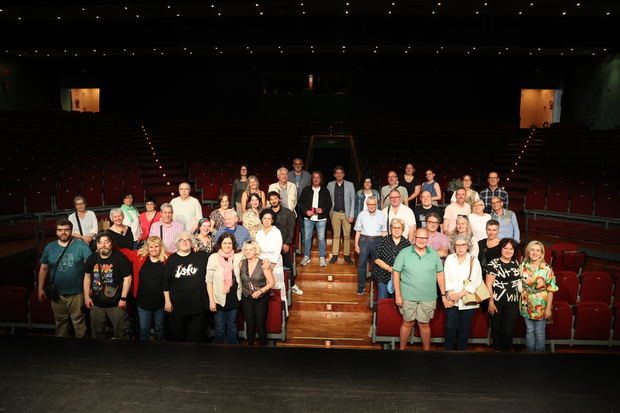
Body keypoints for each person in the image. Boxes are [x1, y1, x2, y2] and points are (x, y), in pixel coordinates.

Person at [393, 228, 447, 351]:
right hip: (408, 296)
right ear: (414, 238)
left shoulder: (433, 254)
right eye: (419, 237)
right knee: (407, 323)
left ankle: (426, 352)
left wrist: (443, 295)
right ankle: (401, 350)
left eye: (425, 238)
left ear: (428, 240)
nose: (422, 240)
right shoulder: (404, 253)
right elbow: (396, 273)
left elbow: (440, 274)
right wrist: (398, 295)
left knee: (424, 324)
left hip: (428, 297)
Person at [37, 218, 92, 338]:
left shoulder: (81, 245)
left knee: (79, 321)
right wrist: (40, 288)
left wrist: (89, 289)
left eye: (66, 230)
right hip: (57, 292)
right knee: (60, 322)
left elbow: (91, 267)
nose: (63, 232)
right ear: (56, 232)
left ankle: (82, 349)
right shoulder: (49, 247)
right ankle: (62, 350)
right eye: (60, 230)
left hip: (77, 291)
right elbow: (44, 268)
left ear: (71, 231)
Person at [83, 231, 132, 339]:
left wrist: (123, 298)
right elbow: (87, 277)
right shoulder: (92, 258)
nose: (103, 245)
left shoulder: (120, 258)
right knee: (96, 333)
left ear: (112, 243)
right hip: (97, 303)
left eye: (106, 242)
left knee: (121, 333)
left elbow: (127, 278)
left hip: (116, 303)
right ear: (97, 244)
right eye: (100, 242)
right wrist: (86, 297)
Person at [118, 236, 168, 341]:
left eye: (156, 246)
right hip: (143, 302)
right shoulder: (140, 256)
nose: (154, 249)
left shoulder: (166, 258)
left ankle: (162, 351)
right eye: (151, 246)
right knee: (144, 329)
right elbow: (125, 252)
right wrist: (109, 246)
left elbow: (181, 254)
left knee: (160, 328)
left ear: (160, 247)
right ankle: (143, 353)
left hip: (161, 302)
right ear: (147, 248)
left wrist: (193, 250)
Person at [164, 232, 210, 343]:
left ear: (192, 243)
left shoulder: (201, 256)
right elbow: (165, 282)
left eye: (188, 240)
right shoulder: (172, 259)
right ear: (177, 243)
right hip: (178, 305)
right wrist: (167, 301)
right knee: (178, 336)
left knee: (196, 337)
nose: (185, 242)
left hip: (197, 304)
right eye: (181, 240)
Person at [444, 235, 483, 351]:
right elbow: (446, 277)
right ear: (454, 246)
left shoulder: (474, 260)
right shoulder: (450, 259)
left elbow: (476, 281)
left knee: (464, 328)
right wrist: (451, 295)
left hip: (467, 300)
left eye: (463, 245)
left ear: (467, 246)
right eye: (458, 245)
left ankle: (461, 353)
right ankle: (449, 352)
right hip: (451, 300)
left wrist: (459, 295)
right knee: (450, 327)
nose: (460, 248)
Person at [519, 240, 558, 352]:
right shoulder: (523, 266)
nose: (535, 253)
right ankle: (530, 354)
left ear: (542, 254)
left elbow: (551, 289)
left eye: (538, 250)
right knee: (529, 330)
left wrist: (549, 308)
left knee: (539, 331)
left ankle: (540, 356)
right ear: (528, 252)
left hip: (541, 304)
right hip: (526, 302)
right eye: (532, 250)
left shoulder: (547, 269)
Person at [207, 232, 243, 344]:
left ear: (233, 244)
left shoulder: (238, 257)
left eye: (230, 243)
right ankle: (219, 353)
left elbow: (254, 252)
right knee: (220, 326)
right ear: (220, 244)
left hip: (234, 296)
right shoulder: (213, 257)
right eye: (224, 243)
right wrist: (211, 300)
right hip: (218, 297)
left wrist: (266, 262)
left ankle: (233, 352)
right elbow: (209, 280)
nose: (227, 245)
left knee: (232, 324)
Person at [486, 238, 521, 352]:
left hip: (513, 302)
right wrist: (490, 302)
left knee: (508, 330)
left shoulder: (516, 263)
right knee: (496, 328)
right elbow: (488, 284)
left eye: (511, 248)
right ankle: (497, 352)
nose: (508, 251)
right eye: (505, 248)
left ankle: (506, 353)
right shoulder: (493, 264)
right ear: (500, 249)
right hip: (496, 302)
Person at [239, 241, 275, 346]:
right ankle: (250, 349)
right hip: (246, 297)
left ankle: (263, 349)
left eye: (251, 249)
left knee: (260, 324)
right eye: (246, 249)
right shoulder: (242, 263)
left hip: (261, 298)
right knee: (250, 324)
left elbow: (272, 283)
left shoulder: (263, 263)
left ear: (256, 250)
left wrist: (260, 291)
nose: (248, 252)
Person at [267, 191, 300, 294]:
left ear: (279, 199)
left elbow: (291, 230)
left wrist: (286, 243)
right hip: (270, 246)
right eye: (271, 199)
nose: (273, 201)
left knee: (287, 266)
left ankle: (292, 285)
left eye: (275, 199)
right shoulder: (267, 213)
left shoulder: (287, 212)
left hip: (283, 245)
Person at [354, 196, 387, 294]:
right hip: (364, 240)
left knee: (376, 265)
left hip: (378, 241)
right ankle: (361, 287)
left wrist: (384, 245)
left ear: (376, 204)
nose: (372, 206)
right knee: (362, 265)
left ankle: (375, 288)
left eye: (373, 204)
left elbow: (384, 231)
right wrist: (356, 245)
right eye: (370, 204)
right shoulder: (361, 214)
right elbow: (358, 231)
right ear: (367, 205)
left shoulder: (382, 214)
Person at [298, 171, 332, 267]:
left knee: (321, 238)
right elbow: (300, 202)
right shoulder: (306, 189)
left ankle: (322, 257)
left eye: (318, 177)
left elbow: (329, 203)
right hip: (308, 218)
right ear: (312, 179)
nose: (316, 179)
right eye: (314, 177)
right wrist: (306, 211)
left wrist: (323, 209)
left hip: (321, 219)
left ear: (321, 180)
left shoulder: (325, 190)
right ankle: (306, 256)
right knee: (307, 237)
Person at [373, 217, 409, 299]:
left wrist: (397, 271)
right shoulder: (383, 241)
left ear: (402, 229)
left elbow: (409, 262)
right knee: (383, 300)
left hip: (400, 278)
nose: (396, 230)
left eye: (399, 228)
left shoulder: (407, 244)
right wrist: (390, 269)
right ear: (391, 229)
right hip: (383, 275)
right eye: (394, 227)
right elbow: (377, 259)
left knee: (397, 301)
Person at [255, 210, 286, 304]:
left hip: (274, 260)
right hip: (262, 260)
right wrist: (262, 260)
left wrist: (272, 264)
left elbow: (277, 249)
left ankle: (280, 308)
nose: (266, 221)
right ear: (261, 219)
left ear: (272, 220)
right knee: (263, 285)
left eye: (269, 219)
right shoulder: (259, 232)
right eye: (264, 218)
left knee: (275, 286)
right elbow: (257, 249)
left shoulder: (276, 232)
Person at [327, 165, 356, 265]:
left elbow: (353, 201)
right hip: (334, 213)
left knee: (347, 236)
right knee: (336, 235)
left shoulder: (350, 185)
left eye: (341, 173)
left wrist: (351, 215)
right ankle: (334, 255)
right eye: (337, 173)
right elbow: (328, 200)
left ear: (343, 174)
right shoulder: (330, 185)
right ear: (334, 175)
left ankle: (347, 255)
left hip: (346, 214)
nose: (339, 175)